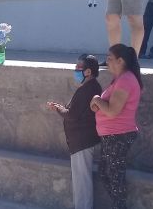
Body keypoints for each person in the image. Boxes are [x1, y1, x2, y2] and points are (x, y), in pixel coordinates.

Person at [90, 44, 143, 209]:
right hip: (112, 135)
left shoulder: (126, 80)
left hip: (119, 135)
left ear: (120, 61)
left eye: (110, 58)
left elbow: (112, 111)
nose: (107, 61)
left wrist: (97, 99)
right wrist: (98, 103)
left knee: (114, 176)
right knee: (106, 173)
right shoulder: (120, 79)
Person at [47, 54, 102, 209]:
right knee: (81, 179)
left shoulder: (88, 89)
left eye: (79, 67)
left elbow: (72, 115)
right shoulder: (91, 87)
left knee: (81, 180)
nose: (76, 70)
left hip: (82, 141)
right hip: (83, 140)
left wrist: (58, 109)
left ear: (88, 71)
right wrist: (62, 108)